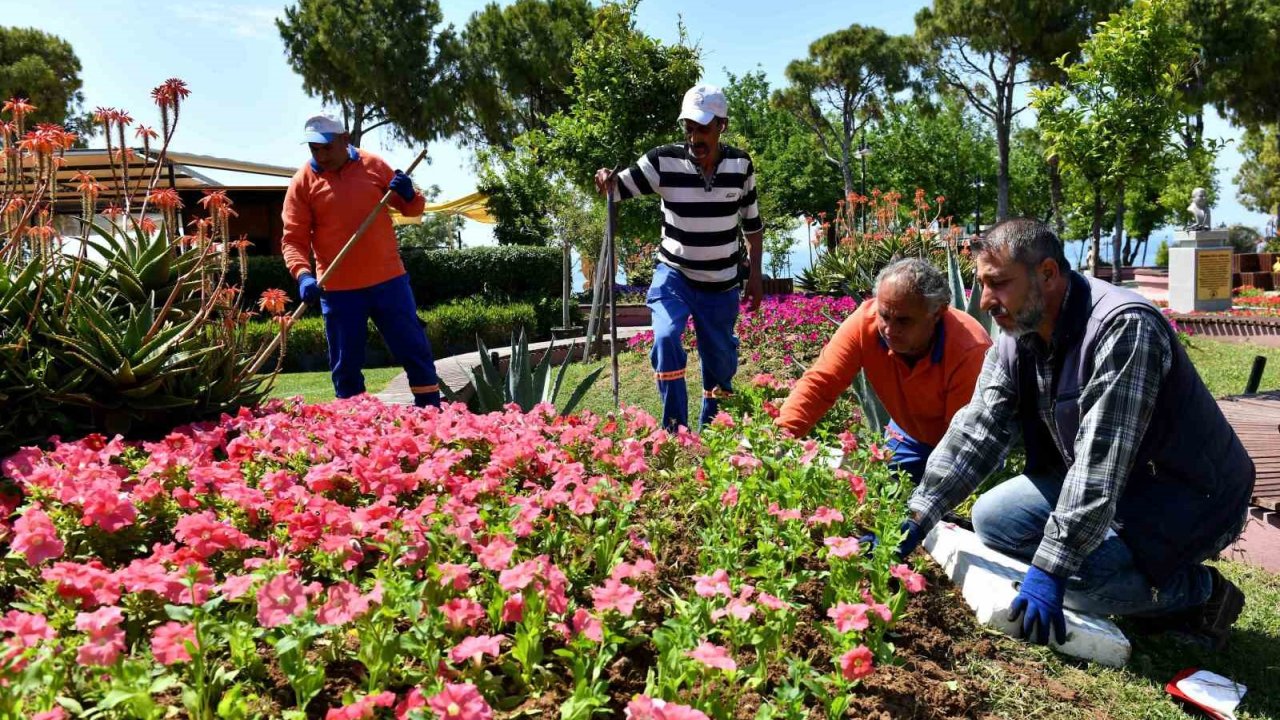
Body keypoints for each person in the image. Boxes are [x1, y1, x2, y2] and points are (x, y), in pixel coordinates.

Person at [893, 218, 1254, 650]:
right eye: (982, 284)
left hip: (1190, 495)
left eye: (999, 283)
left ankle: (1202, 592)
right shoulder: (1017, 331)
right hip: (1125, 481)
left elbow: (1101, 462)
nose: (986, 300)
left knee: (1082, 585)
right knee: (994, 519)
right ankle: (1134, 572)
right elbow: (979, 430)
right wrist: (918, 516)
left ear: (1047, 273)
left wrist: (1052, 567)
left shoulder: (1123, 328)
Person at [593, 84, 764, 430]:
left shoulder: (740, 165)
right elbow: (617, 189)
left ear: (722, 126)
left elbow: (753, 226)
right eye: (689, 128)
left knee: (720, 364)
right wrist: (606, 182)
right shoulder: (662, 161)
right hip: (675, 275)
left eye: (703, 128)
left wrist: (756, 276)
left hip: (722, 283)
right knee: (666, 338)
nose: (695, 137)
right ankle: (676, 430)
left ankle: (713, 432)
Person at [776, 258, 991, 482]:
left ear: (937, 314)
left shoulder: (968, 350)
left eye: (903, 321)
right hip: (908, 435)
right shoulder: (864, 323)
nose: (889, 330)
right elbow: (821, 384)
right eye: (884, 316)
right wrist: (780, 439)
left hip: (964, 443)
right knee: (883, 489)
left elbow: (962, 441)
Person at [281, 115, 441, 408]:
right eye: (314, 149)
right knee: (345, 366)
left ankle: (431, 410)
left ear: (345, 140)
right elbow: (293, 239)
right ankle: (353, 424)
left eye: (326, 147)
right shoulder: (302, 182)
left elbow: (412, 209)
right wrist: (303, 275)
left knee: (413, 349)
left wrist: (408, 194)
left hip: (389, 281)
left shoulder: (374, 165)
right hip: (338, 290)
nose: (321, 155)